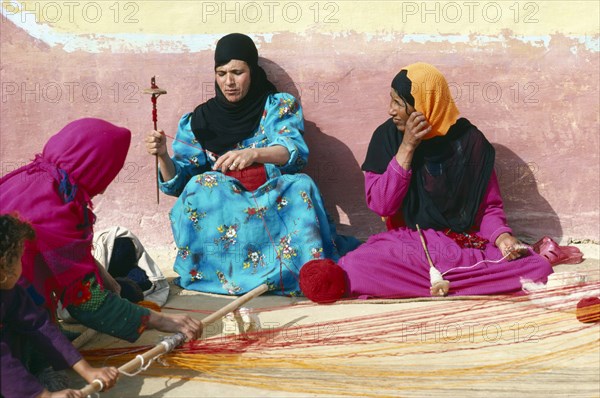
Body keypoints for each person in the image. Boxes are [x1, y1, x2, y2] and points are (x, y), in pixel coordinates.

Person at [299, 62, 561, 303]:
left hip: (460, 245)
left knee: (534, 266)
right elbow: (381, 205)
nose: (391, 110)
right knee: (358, 265)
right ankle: (466, 282)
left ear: (426, 106)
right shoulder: (387, 138)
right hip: (408, 247)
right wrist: (407, 147)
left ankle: (435, 282)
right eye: (391, 100)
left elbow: (488, 209)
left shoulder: (469, 143)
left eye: (399, 103)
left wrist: (502, 238)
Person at [146, 33, 357, 296]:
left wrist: (255, 154)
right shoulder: (199, 120)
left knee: (301, 185)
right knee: (201, 186)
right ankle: (220, 276)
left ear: (253, 72)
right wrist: (163, 156)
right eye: (221, 73)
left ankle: (296, 273)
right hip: (225, 201)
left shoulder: (277, 105)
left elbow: (294, 152)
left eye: (237, 72)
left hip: (270, 193)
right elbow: (178, 183)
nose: (229, 82)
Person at [0, 118, 202, 342]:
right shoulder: (57, 209)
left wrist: (102, 275)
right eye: (109, 172)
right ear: (93, 166)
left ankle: (46, 327)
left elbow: (60, 255)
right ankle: (35, 342)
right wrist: (161, 320)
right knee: (43, 367)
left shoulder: (31, 178)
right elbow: (86, 301)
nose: (105, 187)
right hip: (7, 313)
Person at [0, 213, 119, 398]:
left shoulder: (11, 291)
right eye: (18, 260)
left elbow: (40, 325)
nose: (21, 266)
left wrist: (87, 371)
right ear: (3, 266)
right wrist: (44, 395)